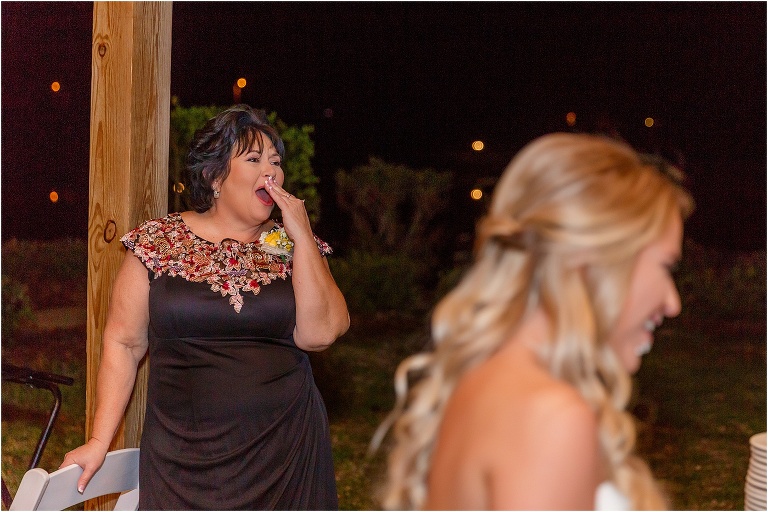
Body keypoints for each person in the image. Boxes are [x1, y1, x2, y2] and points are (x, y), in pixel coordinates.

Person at [370, 133, 694, 510]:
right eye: (665, 266)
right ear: (593, 260)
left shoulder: (481, 380)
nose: (673, 303)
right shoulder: (550, 418)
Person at [60, 105, 350, 510]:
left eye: (276, 162)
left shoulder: (290, 246)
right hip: (183, 460)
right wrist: (98, 441)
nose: (272, 172)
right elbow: (124, 344)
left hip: (286, 452)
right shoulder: (159, 242)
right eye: (254, 160)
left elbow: (320, 334)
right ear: (215, 177)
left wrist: (302, 235)